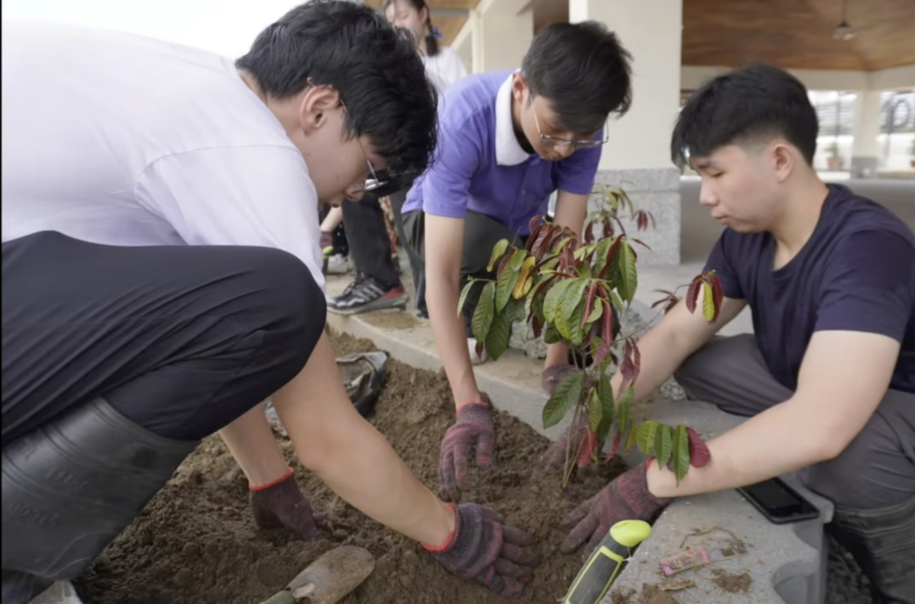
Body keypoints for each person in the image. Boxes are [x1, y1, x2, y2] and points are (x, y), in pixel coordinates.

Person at [0, 2, 538, 602]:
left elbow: (208, 337)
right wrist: (449, 529)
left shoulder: (199, 94)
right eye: (371, 167)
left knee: (251, 302)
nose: (360, 191)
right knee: (284, 298)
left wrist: (268, 477)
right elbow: (325, 434)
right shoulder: (256, 156)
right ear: (319, 108)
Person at [554, 64, 915, 604]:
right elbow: (675, 335)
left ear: (780, 160)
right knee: (699, 359)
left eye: (715, 173)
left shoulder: (869, 248)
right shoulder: (747, 237)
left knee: (845, 444)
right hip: (824, 391)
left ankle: (909, 586)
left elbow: (822, 425)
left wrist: (650, 480)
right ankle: (794, 453)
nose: (704, 196)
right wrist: (598, 411)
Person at [396, 21, 632, 501]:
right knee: (490, 243)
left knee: (586, 299)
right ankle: (458, 315)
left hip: (517, 231)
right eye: (555, 131)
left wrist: (556, 362)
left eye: (580, 137)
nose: (565, 147)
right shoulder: (463, 116)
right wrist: (468, 404)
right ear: (521, 88)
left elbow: (563, 249)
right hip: (438, 223)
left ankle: (498, 315)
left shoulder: (582, 128)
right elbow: (443, 270)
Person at [327, 0, 469, 315]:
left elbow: (458, 113)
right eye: (391, 19)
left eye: (403, 16)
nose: (397, 24)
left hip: (440, 155)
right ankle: (379, 280)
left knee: (408, 189)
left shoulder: (446, 60)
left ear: (423, 15)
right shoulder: (387, 66)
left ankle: (430, 296)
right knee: (356, 181)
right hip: (403, 153)